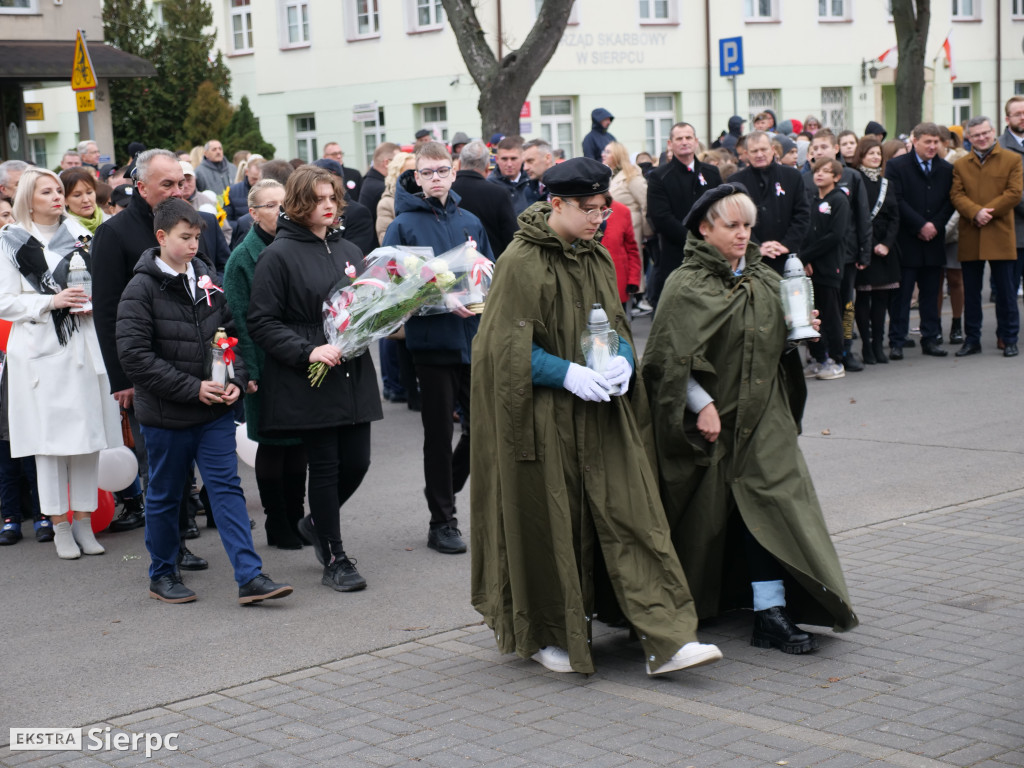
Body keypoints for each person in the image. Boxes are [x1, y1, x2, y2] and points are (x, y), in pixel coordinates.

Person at [470, 156, 722, 676]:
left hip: (603, 412)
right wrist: (564, 373)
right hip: (545, 418)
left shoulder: (597, 256)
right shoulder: (520, 261)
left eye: (603, 209)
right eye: (588, 209)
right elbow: (501, 347)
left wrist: (623, 364)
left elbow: (618, 329)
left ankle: (669, 637)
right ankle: (549, 633)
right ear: (554, 204)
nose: (598, 219)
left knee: (634, 515)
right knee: (554, 522)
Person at [641, 183, 857, 654]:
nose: (743, 236)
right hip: (711, 419)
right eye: (732, 226)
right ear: (705, 228)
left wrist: (798, 331)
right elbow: (668, 360)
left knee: (775, 501)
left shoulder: (764, 277)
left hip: (765, 413)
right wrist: (702, 405)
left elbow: (767, 345)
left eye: (749, 227)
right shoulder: (685, 283)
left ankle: (771, 612)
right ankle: (694, 603)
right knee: (707, 514)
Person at [116, 199, 292, 604]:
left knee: (227, 489)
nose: (194, 245)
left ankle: (250, 576)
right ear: (161, 238)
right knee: (165, 494)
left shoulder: (206, 278)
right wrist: (192, 388)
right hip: (166, 414)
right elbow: (136, 358)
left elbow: (231, 334)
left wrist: (237, 379)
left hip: (213, 411)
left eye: (198, 237)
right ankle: (162, 573)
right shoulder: (140, 288)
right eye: (185, 238)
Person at [248, 165, 382, 592]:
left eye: (332, 199)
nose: (328, 206)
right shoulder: (278, 255)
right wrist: (307, 350)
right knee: (324, 467)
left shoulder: (349, 249)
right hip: (313, 375)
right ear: (300, 204)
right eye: (319, 200)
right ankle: (336, 558)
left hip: (353, 370)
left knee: (358, 462)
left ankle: (315, 524)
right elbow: (261, 322)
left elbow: (363, 304)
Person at [0, 168, 122, 559]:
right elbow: (4, 301)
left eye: (58, 190)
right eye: (46, 192)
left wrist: (93, 303)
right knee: (50, 446)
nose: (56, 197)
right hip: (40, 349)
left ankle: (85, 521)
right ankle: (60, 526)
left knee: (87, 440)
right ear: (27, 200)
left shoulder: (83, 235)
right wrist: (50, 302)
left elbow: (103, 283)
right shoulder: (10, 241)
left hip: (83, 346)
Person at [382, 141, 494, 556]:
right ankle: (442, 521)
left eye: (442, 171)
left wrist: (482, 295)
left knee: (483, 428)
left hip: (473, 339)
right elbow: (394, 289)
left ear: (454, 170)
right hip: (431, 345)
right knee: (438, 434)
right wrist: (436, 298)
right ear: (415, 176)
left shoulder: (470, 220)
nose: (435, 179)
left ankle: (442, 487)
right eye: (426, 172)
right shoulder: (403, 225)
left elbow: (488, 268)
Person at [223, 179, 307, 550]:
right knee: (273, 445)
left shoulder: (297, 244)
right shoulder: (244, 257)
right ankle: (277, 521)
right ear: (253, 214)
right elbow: (239, 317)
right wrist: (250, 372)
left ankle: (296, 515)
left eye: (283, 203)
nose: (280, 211)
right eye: (270, 206)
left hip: (299, 356)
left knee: (299, 445)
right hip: (265, 362)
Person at [950, 116, 1024, 357]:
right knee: (972, 293)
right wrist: (975, 212)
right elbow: (956, 195)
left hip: (1000, 233)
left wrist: (986, 212)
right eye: (976, 135)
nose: (981, 138)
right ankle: (973, 339)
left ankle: (1009, 337)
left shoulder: (1012, 159)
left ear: (993, 132)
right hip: (972, 233)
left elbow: (1014, 194)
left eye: (985, 133)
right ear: (969, 138)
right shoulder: (961, 164)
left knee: (1006, 292)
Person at [801, 130, 872, 371]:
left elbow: (862, 216)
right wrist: (804, 256)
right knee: (821, 306)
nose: (819, 152)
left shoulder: (851, 177)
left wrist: (865, 251)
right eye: (815, 148)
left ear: (835, 149)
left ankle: (846, 349)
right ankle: (819, 351)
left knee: (846, 305)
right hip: (816, 258)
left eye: (824, 147)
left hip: (846, 254)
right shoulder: (806, 180)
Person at [884, 123, 955, 359]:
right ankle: (896, 340)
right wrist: (920, 225)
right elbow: (897, 200)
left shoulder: (946, 169)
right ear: (915, 141)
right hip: (907, 240)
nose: (933, 146)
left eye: (936, 142)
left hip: (933, 240)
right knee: (902, 295)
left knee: (931, 293)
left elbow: (949, 202)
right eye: (928, 142)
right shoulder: (897, 166)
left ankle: (930, 338)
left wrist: (934, 225)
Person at [646, 122, 723, 307]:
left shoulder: (711, 173)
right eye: (679, 138)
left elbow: (721, 209)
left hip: (713, 252)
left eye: (688, 137)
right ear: (670, 144)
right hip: (676, 255)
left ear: (696, 141)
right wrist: (694, 240)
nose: (684, 142)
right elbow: (661, 217)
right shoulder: (659, 177)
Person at [730, 131, 810, 276]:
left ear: (772, 149)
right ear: (747, 154)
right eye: (754, 151)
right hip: (751, 260)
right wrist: (756, 247)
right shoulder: (735, 181)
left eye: (763, 149)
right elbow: (734, 220)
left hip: (787, 258)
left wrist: (786, 245)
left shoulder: (792, 176)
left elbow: (802, 214)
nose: (759, 154)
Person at [850, 138, 900, 365]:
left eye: (878, 154)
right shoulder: (854, 179)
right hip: (863, 248)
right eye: (870, 154)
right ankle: (867, 347)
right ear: (861, 156)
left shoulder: (886, 183)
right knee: (863, 298)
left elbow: (894, 217)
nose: (875, 158)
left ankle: (879, 345)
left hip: (883, 249)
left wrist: (887, 244)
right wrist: (866, 246)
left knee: (881, 299)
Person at [802, 158, 853, 380]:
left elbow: (835, 235)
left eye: (826, 171)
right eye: (817, 171)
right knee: (813, 313)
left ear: (836, 177)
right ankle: (818, 356)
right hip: (810, 266)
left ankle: (836, 359)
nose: (819, 174)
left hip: (830, 266)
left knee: (831, 313)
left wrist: (807, 255)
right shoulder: (812, 200)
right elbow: (807, 232)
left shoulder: (839, 200)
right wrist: (804, 260)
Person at [450, 140, 518, 255]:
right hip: (491, 264)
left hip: (452, 265)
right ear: (487, 168)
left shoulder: (448, 191)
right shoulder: (499, 194)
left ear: (460, 164)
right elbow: (511, 238)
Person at [997, 97, 1024, 305]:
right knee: (1009, 293)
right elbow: (1004, 189)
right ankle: (1008, 337)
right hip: (1013, 233)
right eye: (1017, 114)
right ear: (1007, 119)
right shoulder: (999, 147)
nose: (1023, 118)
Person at [358, 141, 400, 246]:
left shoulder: (370, 181)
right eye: (398, 162)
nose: (400, 166)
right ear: (387, 163)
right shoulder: (381, 188)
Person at [488, 136, 539, 215]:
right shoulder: (489, 186)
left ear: (522, 158)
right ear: (497, 159)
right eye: (504, 159)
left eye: (513, 158)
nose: (509, 164)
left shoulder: (534, 181)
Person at [375, 152, 414, 245]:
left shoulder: (428, 197)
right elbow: (385, 240)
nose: (415, 175)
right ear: (397, 175)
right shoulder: (387, 203)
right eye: (409, 172)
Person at [60, 167, 105, 234]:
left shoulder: (111, 220)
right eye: (77, 195)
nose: (86, 200)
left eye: (89, 192)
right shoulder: (62, 230)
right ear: (65, 200)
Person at [224, 155, 263, 225]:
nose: (257, 183)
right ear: (246, 172)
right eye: (254, 179)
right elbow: (226, 222)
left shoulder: (273, 192)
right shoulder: (232, 191)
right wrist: (242, 226)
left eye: (261, 179)